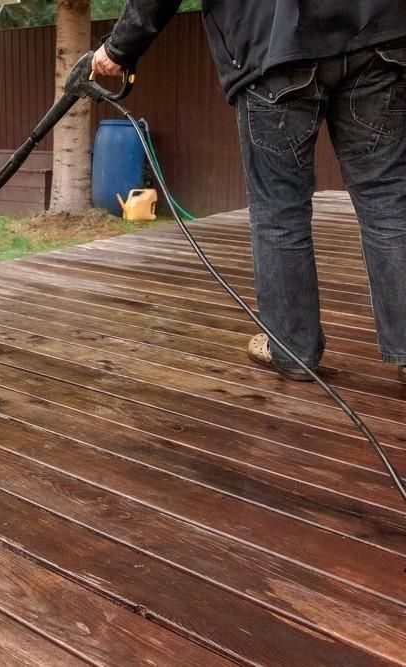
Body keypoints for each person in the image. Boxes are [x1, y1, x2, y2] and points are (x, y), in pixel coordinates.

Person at [92, 2, 406, 383]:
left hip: (273, 49)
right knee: (388, 201)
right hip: (378, 37)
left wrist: (118, 48)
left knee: (280, 212)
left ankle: (292, 350)